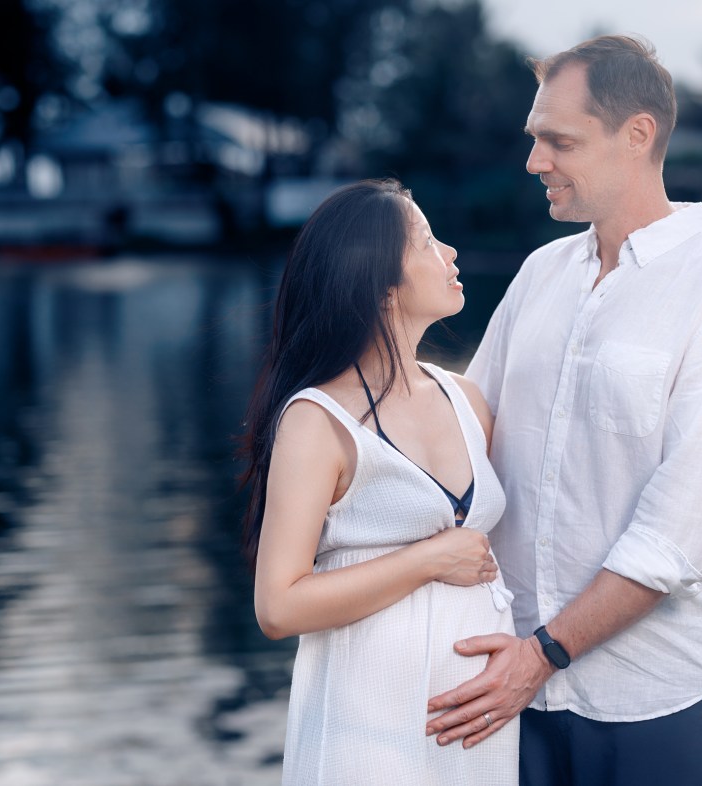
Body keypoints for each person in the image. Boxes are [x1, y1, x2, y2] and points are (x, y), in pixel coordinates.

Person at [424, 35, 702, 784]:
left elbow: (674, 537)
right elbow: (469, 426)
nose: (534, 162)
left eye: (558, 141)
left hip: (660, 702)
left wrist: (543, 653)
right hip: (515, 692)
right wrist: (354, 395)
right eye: (534, 140)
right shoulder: (540, 273)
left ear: (638, 135)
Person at [241, 179, 519, 785]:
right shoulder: (317, 420)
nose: (451, 254)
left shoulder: (466, 398)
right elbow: (277, 605)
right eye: (427, 242)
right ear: (382, 284)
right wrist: (428, 559)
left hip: (475, 733)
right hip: (365, 733)